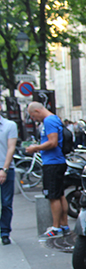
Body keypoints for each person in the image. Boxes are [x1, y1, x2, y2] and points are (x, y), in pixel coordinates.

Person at [26, 101, 69, 238]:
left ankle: (56, 227)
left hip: (52, 162)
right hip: (57, 161)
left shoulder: (49, 121)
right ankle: (63, 224)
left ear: (37, 111)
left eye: (33, 116)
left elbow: (52, 142)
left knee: (53, 196)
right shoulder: (54, 119)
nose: (34, 119)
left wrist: (35, 148)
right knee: (60, 194)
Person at [0, 101, 18, 245]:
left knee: (6, 203)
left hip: (6, 168)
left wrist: (4, 169)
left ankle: (5, 232)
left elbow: (11, 148)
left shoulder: (9, 125)